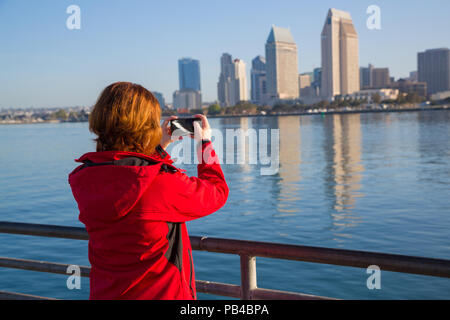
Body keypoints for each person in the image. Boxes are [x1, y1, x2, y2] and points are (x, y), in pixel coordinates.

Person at [68, 82, 228, 300]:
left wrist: (158, 149)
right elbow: (216, 192)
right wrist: (204, 144)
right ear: (147, 126)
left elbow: (128, 173)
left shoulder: (86, 178)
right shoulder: (161, 182)